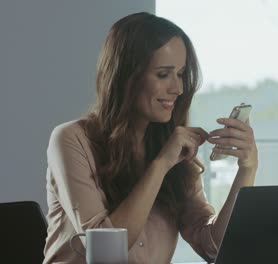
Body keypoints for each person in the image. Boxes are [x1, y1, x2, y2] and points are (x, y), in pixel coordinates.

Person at [43, 12, 258, 264]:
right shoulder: (71, 140)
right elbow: (105, 253)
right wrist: (161, 164)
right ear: (126, 76)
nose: (177, 89)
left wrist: (247, 168)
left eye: (180, 74)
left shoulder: (173, 148)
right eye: (163, 74)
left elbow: (213, 247)